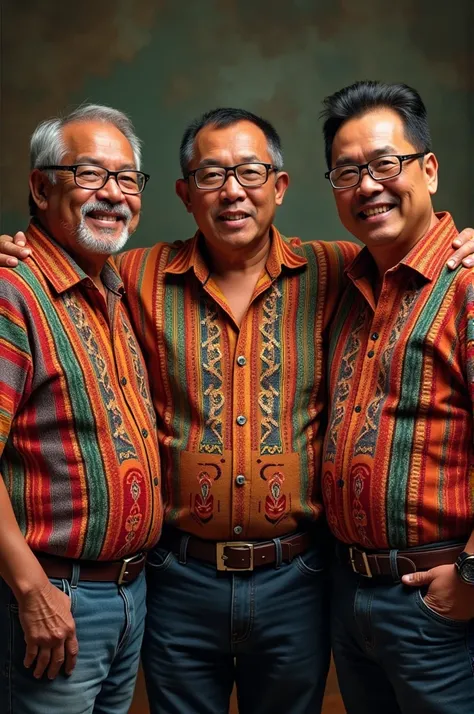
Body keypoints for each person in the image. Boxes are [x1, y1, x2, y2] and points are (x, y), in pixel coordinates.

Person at [1, 106, 474, 714]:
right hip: (176, 579)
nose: (232, 192)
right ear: (183, 193)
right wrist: (23, 247)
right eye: (210, 176)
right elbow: (66, 254)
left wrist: (456, 239)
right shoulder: (130, 276)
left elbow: (414, 253)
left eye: (251, 173)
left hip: (297, 579)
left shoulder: (339, 272)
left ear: (279, 186)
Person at [0, 105, 162, 714]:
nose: (113, 195)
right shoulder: (13, 290)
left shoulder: (113, 288)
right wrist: (31, 588)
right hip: (51, 599)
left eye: (126, 179)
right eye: (90, 175)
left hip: (127, 595)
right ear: (41, 188)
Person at [320, 80, 474, 713]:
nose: (367, 185)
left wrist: (469, 577)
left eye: (386, 163)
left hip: (438, 604)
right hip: (350, 598)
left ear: (429, 170)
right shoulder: (345, 287)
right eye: (347, 171)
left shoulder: (466, 286)